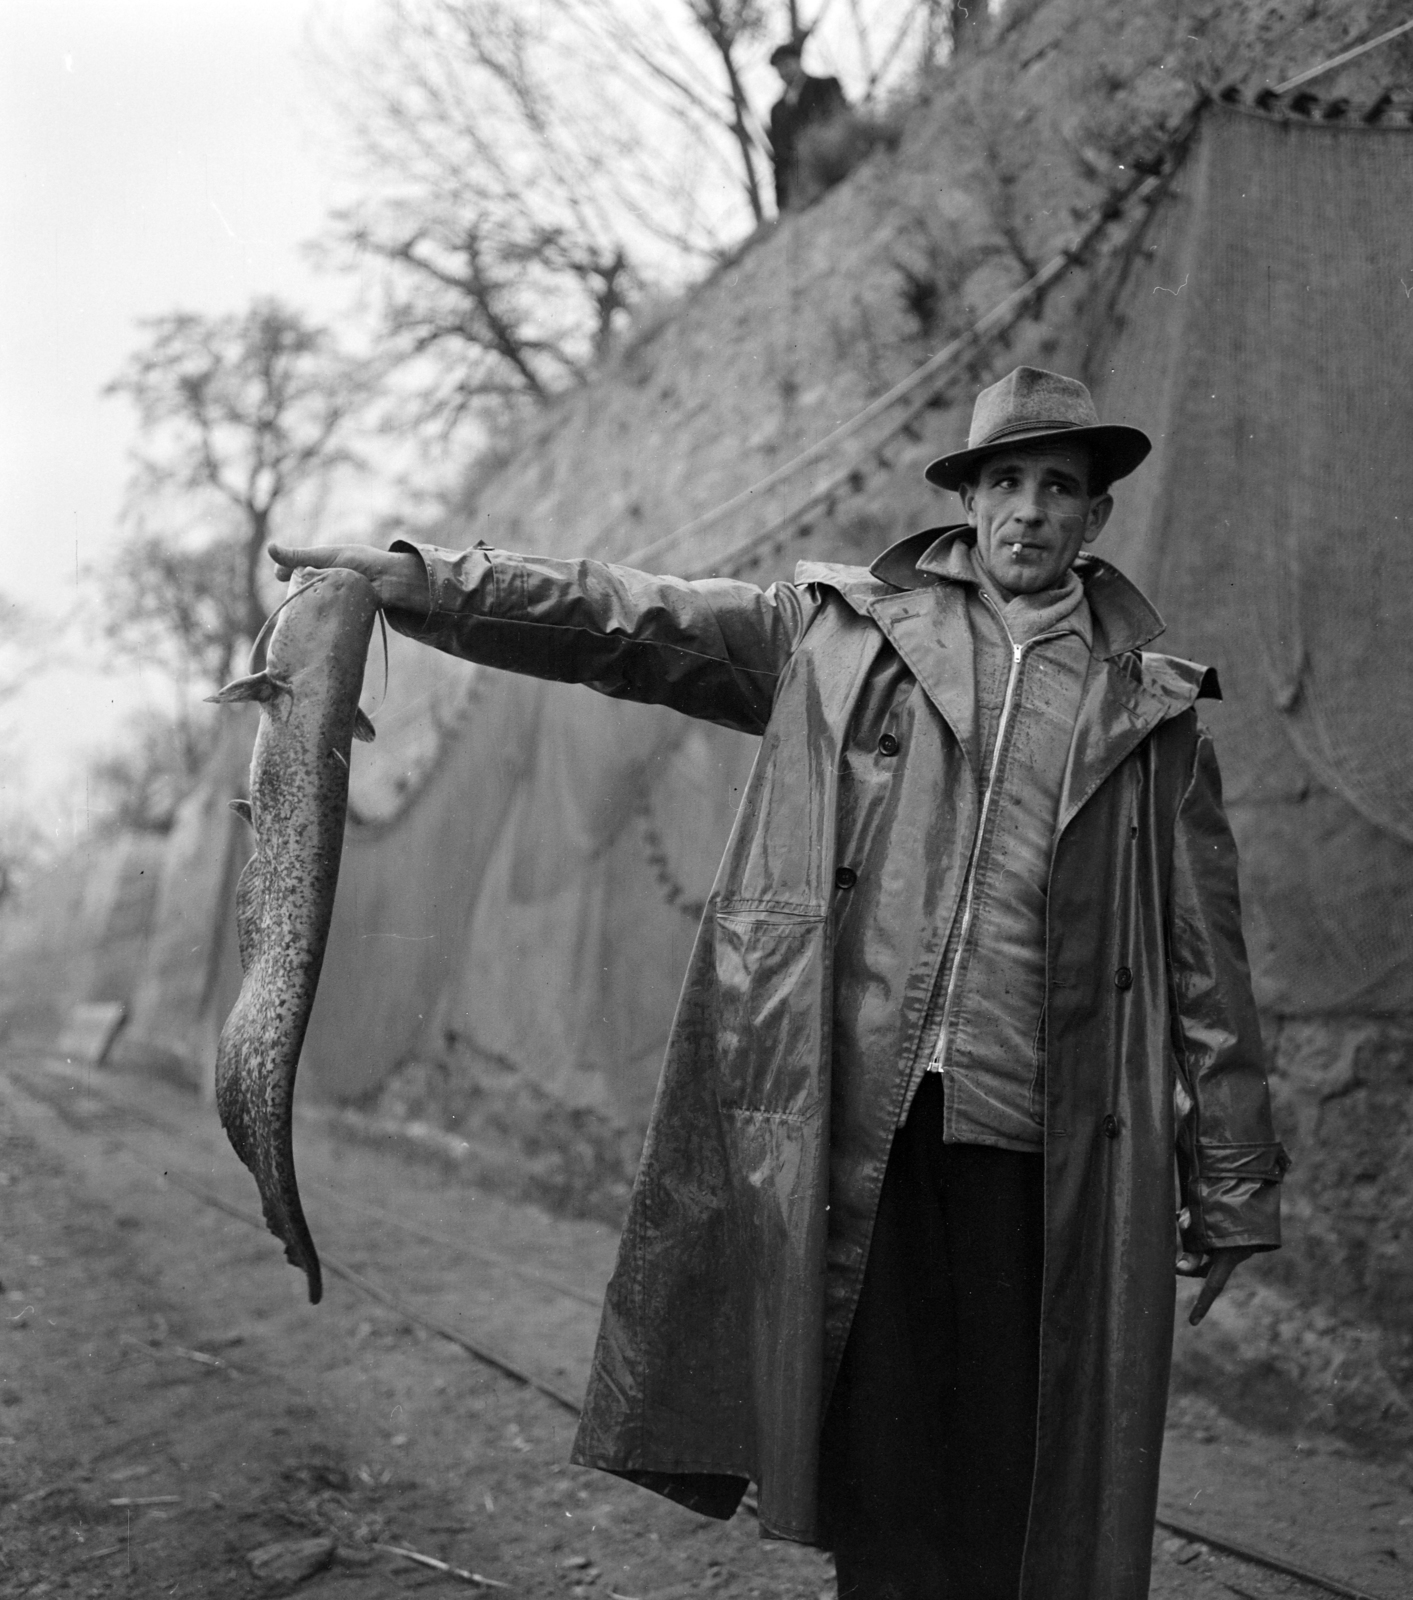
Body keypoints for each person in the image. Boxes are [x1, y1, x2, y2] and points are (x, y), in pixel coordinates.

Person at [269, 366, 1289, 1600]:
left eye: (1058, 488)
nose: (1028, 510)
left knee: (1014, 1466)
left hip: (1048, 1143)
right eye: (1005, 481)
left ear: (1096, 516)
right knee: (884, 1459)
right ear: (967, 501)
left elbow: (1206, 966)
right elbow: (626, 620)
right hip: (873, 1125)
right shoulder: (845, 638)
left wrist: (1233, 1185)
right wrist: (422, 581)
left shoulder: (1152, 708)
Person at [768, 37, 847, 211]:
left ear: (798, 61)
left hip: (833, 159)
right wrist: (781, 202)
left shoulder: (825, 86)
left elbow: (843, 122)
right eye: (779, 67)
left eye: (786, 64)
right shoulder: (777, 110)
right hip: (800, 181)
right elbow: (779, 156)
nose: (783, 71)